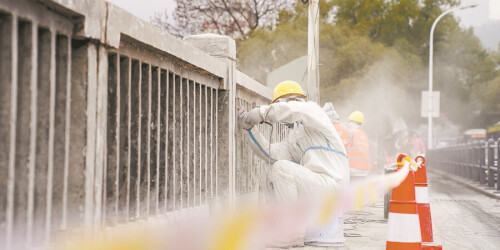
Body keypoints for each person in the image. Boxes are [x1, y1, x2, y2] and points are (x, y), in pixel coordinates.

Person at [237, 80, 350, 247]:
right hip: (320, 187)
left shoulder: (313, 111)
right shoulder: (296, 136)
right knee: (271, 166)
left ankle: (291, 232)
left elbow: (296, 110)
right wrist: (250, 130)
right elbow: (272, 153)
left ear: (293, 101)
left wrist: (261, 113)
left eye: (279, 105)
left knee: (282, 168)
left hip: (333, 187)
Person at [323, 104, 371, 179]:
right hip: (365, 170)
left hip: (353, 169)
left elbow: (340, 146)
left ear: (352, 122)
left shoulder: (350, 133)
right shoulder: (364, 135)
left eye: (349, 121)